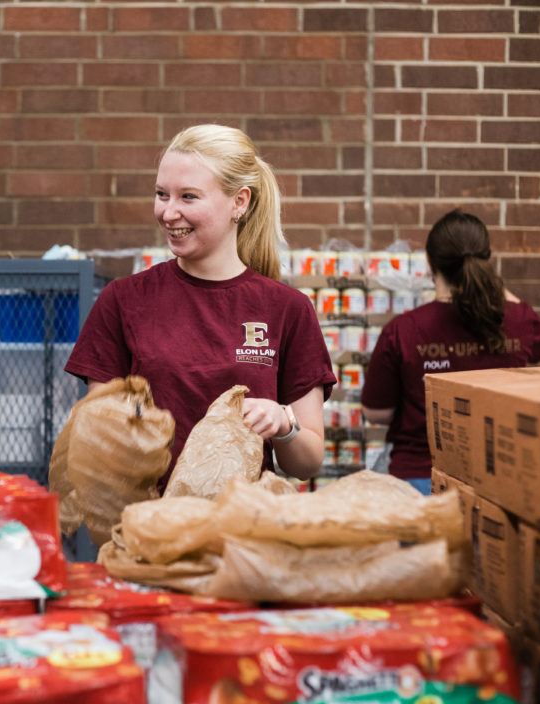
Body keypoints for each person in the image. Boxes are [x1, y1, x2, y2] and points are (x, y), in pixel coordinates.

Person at [65, 124, 336, 486]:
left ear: (239, 202)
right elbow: (99, 444)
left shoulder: (287, 309)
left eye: (188, 197)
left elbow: (308, 462)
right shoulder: (124, 300)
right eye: (162, 194)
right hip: (151, 526)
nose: (169, 212)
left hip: (244, 529)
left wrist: (282, 423)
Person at [361, 209, 540, 494]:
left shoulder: (403, 330)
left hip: (420, 479)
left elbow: (375, 412)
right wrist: (490, 282)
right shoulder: (520, 322)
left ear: (430, 265)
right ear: (487, 261)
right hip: (499, 482)